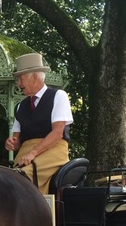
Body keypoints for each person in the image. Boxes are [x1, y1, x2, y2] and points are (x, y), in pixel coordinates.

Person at [5, 52, 74, 194]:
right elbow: (16, 140)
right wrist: (12, 143)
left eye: (20, 79)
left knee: (22, 178)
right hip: (26, 153)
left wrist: (33, 153)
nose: (19, 84)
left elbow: (57, 133)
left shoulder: (58, 96)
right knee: (7, 180)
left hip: (53, 150)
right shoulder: (20, 106)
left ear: (34, 77)